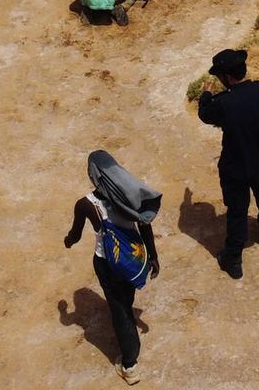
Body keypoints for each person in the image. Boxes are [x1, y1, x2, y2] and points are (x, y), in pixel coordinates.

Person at [64, 150, 162, 384]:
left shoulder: (85, 205)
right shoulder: (128, 198)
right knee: (125, 300)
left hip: (107, 264)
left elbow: (75, 236)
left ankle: (130, 364)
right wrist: (153, 257)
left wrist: (67, 241)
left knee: (119, 310)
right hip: (133, 259)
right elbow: (145, 226)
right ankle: (127, 319)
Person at [198, 48, 259, 279]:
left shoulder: (223, 103)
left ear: (227, 77)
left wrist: (205, 95)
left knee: (237, 211)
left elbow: (204, 114)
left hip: (235, 168)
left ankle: (233, 260)